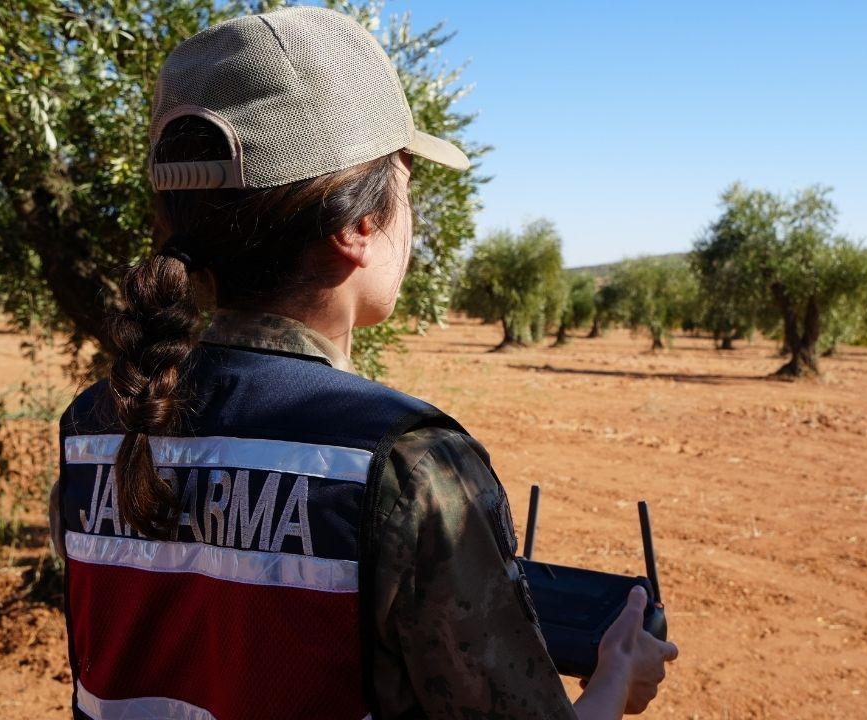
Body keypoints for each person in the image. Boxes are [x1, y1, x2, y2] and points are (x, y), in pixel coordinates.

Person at [48, 7, 677, 719]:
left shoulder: (95, 427)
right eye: (407, 183)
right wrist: (613, 681)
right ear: (359, 225)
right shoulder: (406, 465)